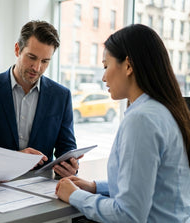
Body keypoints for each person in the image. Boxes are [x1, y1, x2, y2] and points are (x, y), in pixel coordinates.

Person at [56, 24, 190, 222]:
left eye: (105, 66)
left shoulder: (142, 119)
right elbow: (150, 184)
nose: (103, 77)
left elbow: (128, 215)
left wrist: (74, 195)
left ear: (128, 65)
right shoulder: (165, 110)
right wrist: (95, 187)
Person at [0, 20, 78, 176]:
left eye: (45, 61)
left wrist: (71, 165)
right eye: (31, 57)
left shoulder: (61, 96)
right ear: (17, 49)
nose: (37, 67)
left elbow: (66, 146)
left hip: (40, 186)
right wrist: (15, 159)